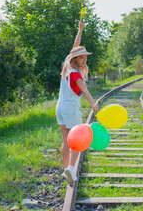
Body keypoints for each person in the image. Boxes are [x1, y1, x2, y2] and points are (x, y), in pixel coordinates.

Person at [56, 20, 99, 185]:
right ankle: (71, 169)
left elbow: (75, 46)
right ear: (75, 58)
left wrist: (80, 30)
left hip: (60, 108)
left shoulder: (66, 66)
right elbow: (86, 91)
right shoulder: (76, 75)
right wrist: (93, 105)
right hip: (71, 110)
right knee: (75, 140)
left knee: (65, 139)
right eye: (81, 58)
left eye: (85, 58)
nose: (84, 60)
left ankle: (66, 168)